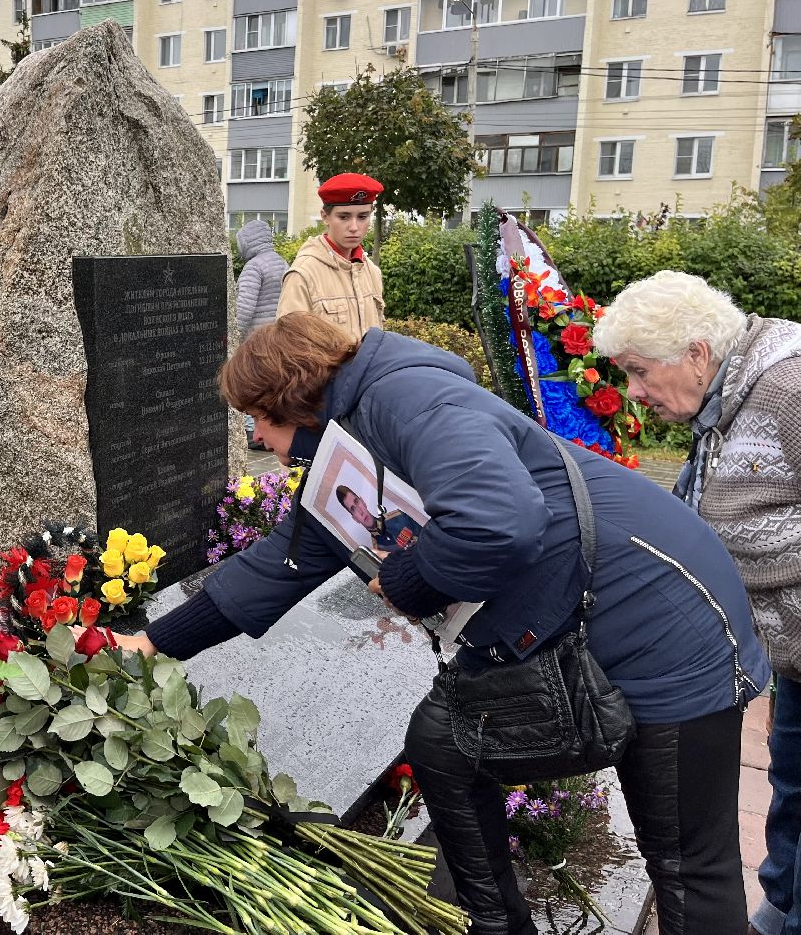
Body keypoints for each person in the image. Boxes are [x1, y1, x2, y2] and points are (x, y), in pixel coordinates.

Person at [113, 312, 769, 935]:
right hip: (583, 610)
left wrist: (407, 579)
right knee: (444, 745)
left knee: (685, 859)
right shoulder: (352, 435)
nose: (257, 438)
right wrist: (149, 643)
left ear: (293, 398)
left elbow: (499, 520)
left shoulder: (409, 397)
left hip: (668, 616)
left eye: (258, 417)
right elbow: (284, 562)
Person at [595, 270, 801, 935]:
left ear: (695, 354)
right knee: (792, 789)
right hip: (793, 654)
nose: (633, 392)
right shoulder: (726, 399)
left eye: (637, 372)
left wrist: (727, 554)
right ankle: (779, 909)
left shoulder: (788, 389)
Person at [276, 172, 385, 339]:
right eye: (344, 217)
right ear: (325, 217)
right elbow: (290, 350)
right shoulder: (303, 275)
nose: (354, 227)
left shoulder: (372, 272)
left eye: (362, 216)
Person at [235, 218, 288, 449]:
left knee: (253, 386)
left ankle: (251, 430)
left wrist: (234, 337)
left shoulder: (253, 267)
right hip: (277, 337)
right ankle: (276, 426)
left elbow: (244, 309)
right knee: (274, 385)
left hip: (256, 340)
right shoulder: (282, 262)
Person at [335, 484, 422, 552]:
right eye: (353, 509)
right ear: (355, 518)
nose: (360, 511)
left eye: (357, 501)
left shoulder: (399, 517)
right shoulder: (376, 550)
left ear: (363, 502)